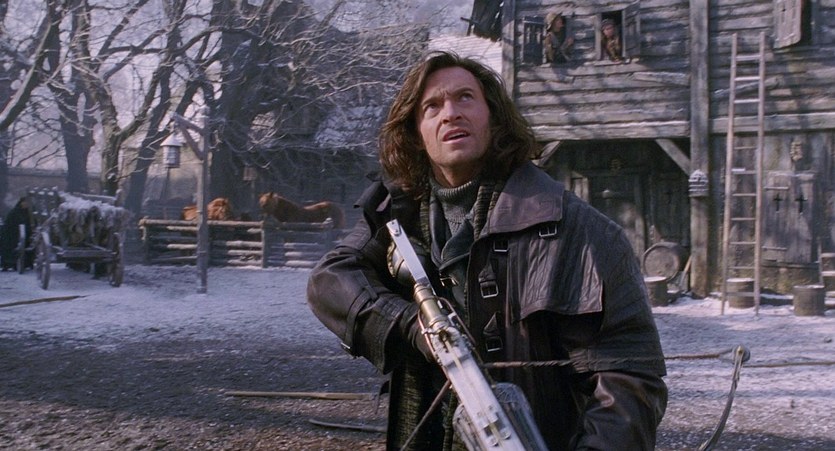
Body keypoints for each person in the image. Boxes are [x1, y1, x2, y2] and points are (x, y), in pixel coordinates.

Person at [306, 51, 667, 450]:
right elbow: (329, 280)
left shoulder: (578, 229)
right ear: (417, 133)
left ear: (493, 117)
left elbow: (628, 383)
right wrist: (412, 326)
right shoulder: (396, 214)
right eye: (432, 106)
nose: (451, 113)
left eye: (465, 97)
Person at [0, 196, 34, 271]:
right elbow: (10, 224)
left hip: (24, 234)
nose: (26, 204)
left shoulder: (28, 213)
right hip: (12, 235)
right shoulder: (15, 212)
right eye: (24, 202)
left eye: (27, 203)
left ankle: (25, 263)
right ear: (21, 203)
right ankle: (10, 264)